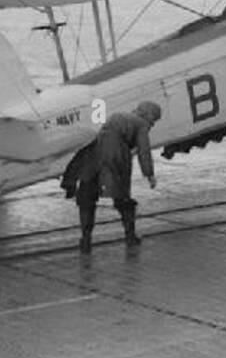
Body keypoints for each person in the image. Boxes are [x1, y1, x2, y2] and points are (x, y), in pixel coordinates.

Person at [68, 100, 161, 252]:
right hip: (116, 155)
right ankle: (130, 237)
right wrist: (149, 174)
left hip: (94, 152)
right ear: (148, 115)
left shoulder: (120, 116)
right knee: (122, 196)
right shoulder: (141, 124)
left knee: (88, 196)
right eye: (154, 119)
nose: (153, 124)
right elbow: (144, 151)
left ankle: (85, 240)